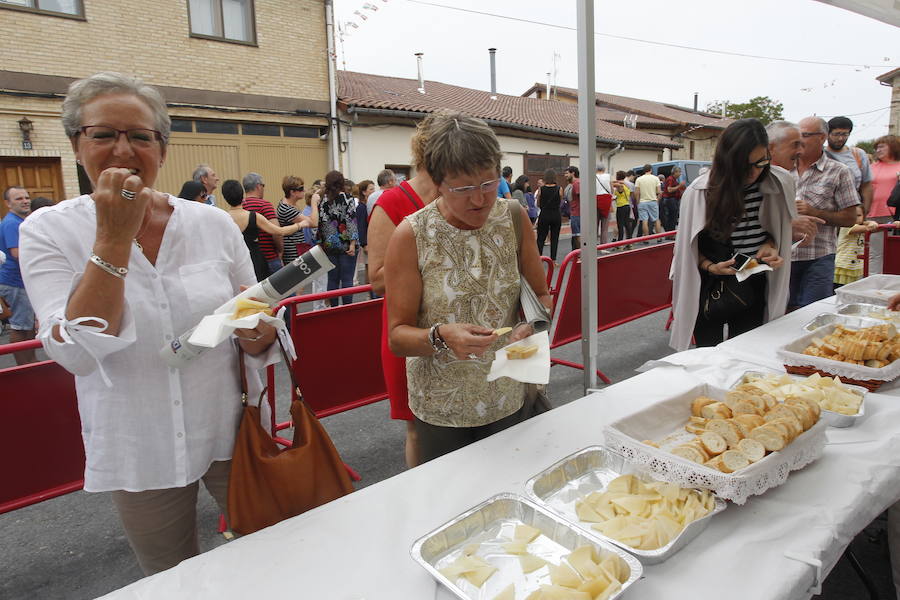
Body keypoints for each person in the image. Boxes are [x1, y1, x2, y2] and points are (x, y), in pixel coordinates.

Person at [18, 72, 280, 575]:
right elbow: (74, 353)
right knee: (170, 578)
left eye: (140, 136)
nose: (123, 149)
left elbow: (256, 315)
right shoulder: (47, 230)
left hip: (229, 428)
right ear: (77, 145)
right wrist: (113, 238)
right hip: (139, 445)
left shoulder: (211, 225)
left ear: (162, 149)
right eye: (103, 134)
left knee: (270, 556)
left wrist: (260, 331)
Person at [384, 112, 551, 463]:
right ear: (437, 182)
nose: (479, 200)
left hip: (508, 395)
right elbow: (397, 337)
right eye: (462, 189)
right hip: (441, 409)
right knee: (449, 505)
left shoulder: (513, 218)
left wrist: (530, 328)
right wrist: (441, 336)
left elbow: (541, 297)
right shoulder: (412, 236)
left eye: (488, 183)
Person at [670, 118, 794, 350]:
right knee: (708, 354)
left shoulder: (777, 183)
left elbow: (778, 230)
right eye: (744, 165)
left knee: (748, 350)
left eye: (760, 163)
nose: (753, 173)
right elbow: (686, 248)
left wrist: (770, 244)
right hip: (710, 284)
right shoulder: (700, 191)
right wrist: (709, 266)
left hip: (755, 276)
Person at [367, 118, 440, 468]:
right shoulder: (392, 203)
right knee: (418, 429)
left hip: (461, 327)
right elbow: (377, 279)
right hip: (408, 327)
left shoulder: (463, 196)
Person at [789, 117, 859, 309]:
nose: (798, 141)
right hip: (784, 257)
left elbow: (851, 218)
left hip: (818, 258)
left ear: (822, 137)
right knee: (781, 318)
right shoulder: (782, 169)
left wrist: (815, 212)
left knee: (812, 314)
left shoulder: (839, 171)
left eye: (804, 135)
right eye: (796, 135)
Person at [222, 180, 307, 282]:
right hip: (257, 261)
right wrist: (299, 225)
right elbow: (279, 231)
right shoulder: (253, 216)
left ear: (225, 197)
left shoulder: (224, 218)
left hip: (236, 263)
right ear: (241, 194)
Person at [765, 120, 824, 246]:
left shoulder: (785, 178)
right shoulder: (754, 178)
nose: (801, 151)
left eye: (802, 145)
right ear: (771, 147)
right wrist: (789, 224)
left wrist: (794, 236)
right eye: (795, 145)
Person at [0, 186, 37, 364]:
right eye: (19, 199)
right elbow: (17, 254)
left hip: (20, 282)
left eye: (26, 197)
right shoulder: (12, 223)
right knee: (21, 325)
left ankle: (30, 361)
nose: (25, 201)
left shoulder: (20, 221)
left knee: (26, 324)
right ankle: (25, 365)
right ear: (8, 204)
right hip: (14, 282)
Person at [317, 170, 359, 306]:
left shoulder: (323, 200)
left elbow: (321, 223)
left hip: (330, 245)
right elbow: (351, 221)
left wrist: (320, 243)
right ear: (341, 183)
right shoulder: (348, 198)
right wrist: (352, 244)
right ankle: (347, 309)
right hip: (346, 244)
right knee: (347, 279)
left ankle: (334, 309)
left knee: (332, 280)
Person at [242, 173, 284, 275]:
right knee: (283, 289)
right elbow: (276, 231)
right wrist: (280, 250)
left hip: (249, 259)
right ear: (258, 186)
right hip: (269, 257)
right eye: (263, 186)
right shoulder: (265, 205)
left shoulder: (240, 206)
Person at [834, 206, 879, 289]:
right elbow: (867, 228)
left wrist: (870, 223)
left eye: (859, 215)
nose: (855, 218)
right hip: (844, 265)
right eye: (852, 215)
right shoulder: (847, 226)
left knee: (854, 288)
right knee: (842, 288)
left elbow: (872, 227)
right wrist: (871, 224)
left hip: (855, 266)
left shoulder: (861, 226)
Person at [276, 175, 309, 265]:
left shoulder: (290, 204)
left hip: (297, 248)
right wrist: (313, 202)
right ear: (292, 192)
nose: (304, 190)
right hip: (293, 251)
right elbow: (312, 222)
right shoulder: (287, 209)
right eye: (301, 188)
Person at [535, 169, 563, 261]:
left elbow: (538, 203)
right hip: (556, 214)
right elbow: (560, 201)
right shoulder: (559, 189)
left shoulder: (541, 189)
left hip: (544, 214)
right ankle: (553, 260)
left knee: (541, 238)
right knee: (554, 238)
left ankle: (539, 258)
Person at [355, 179, 374, 291]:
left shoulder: (368, 205)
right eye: (371, 189)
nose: (373, 191)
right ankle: (369, 292)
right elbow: (361, 226)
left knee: (371, 267)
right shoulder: (361, 208)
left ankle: (371, 292)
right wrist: (365, 244)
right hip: (366, 242)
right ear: (364, 192)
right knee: (369, 268)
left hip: (370, 241)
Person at [635, 164, 663, 238]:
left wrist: (638, 202)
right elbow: (659, 191)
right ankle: (659, 237)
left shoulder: (639, 179)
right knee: (656, 219)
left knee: (644, 221)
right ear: (651, 169)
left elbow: (637, 192)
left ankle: (646, 238)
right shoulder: (656, 178)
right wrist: (657, 200)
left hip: (642, 202)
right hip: (653, 201)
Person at [660, 166, 686, 232]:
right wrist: (679, 186)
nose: (680, 174)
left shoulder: (673, 179)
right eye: (679, 172)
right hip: (670, 200)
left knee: (672, 217)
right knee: (672, 217)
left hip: (672, 200)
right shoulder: (671, 179)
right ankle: (670, 233)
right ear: (675, 172)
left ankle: (670, 232)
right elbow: (669, 190)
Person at [613, 171, 633, 245]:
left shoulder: (620, 185)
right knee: (627, 224)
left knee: (620, 225)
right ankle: (629, 242)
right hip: (627, 205)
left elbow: (618, 188)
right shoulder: (627, 185)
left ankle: (620, 242)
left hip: (621, 206)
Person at [564, 166, 581, 251]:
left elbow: (581, 197)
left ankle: (581, 254)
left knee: (577, 235)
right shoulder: (573, 184)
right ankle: (576, 254)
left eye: (567, 173)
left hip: (577, 213)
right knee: (575, 235)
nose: (565, 175)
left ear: (573, 173)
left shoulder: (576, 183)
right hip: (574, 212)